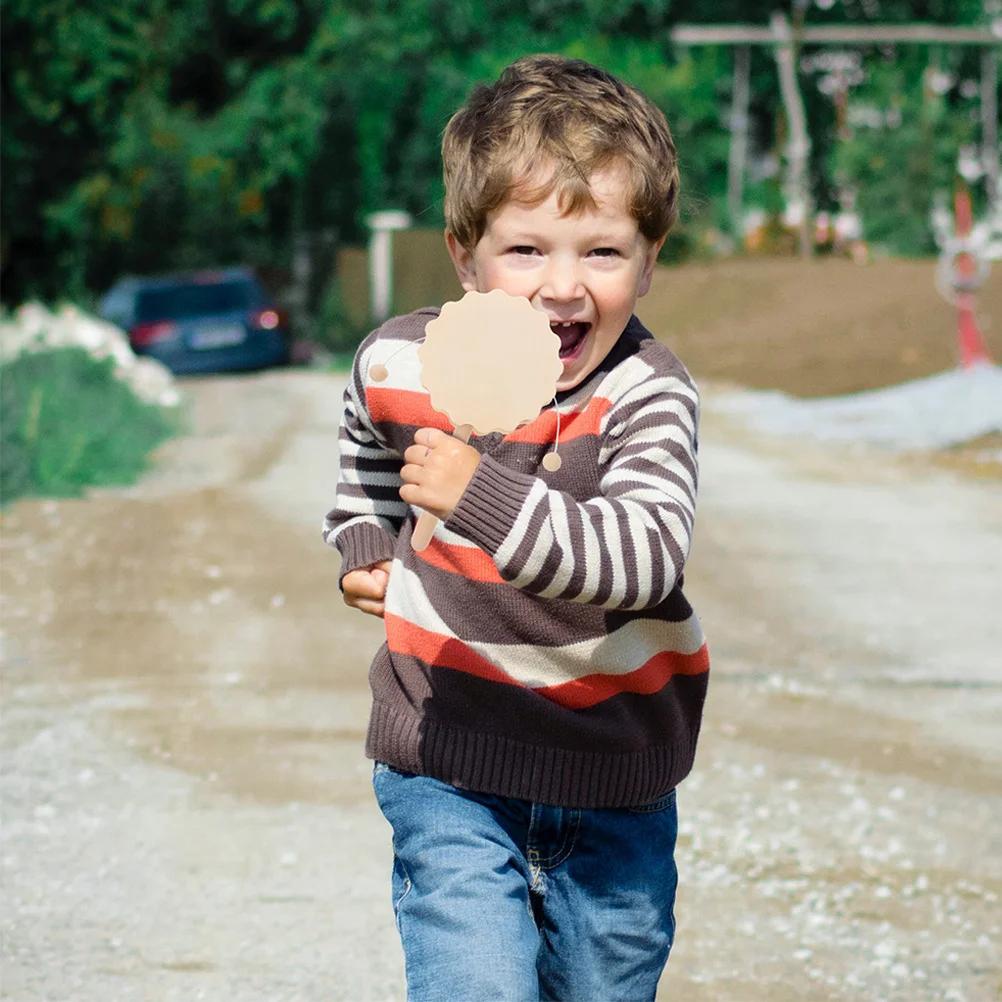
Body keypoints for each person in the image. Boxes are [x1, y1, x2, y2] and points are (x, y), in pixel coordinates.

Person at [323, 53, 709, 1002]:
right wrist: (367, 545)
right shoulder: (405, 358)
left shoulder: (646, 396)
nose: (563, 285)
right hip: (446, 756)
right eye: (527, 249)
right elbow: (366, 441)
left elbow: (641, 557)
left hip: (612, 774)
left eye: (604, 251)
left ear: (650, 259)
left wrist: (477, 500)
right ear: (466, 253)